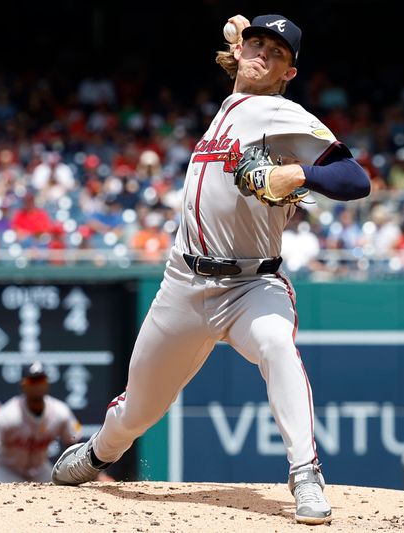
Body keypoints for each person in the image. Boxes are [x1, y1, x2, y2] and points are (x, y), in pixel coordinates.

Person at [52, 13, 370, 526]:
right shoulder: (233, 106)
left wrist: (296, 173)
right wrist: (238, 45)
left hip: (252, 282)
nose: (265, 53)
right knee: (140, 412)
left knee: (276, 345)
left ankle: (305, 474)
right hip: (183, 284)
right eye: (258, 44)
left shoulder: (280, 111)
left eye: (279, 53)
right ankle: (100, 453)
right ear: (241, 52)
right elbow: (240, 63)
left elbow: (354, 178)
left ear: (290, 73)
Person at [0, 362, 81, 482]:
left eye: (41, 380)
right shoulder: (9, 414)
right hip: (7, 470)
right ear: (23, 386)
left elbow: (75, 442)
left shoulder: (60, 412)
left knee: (59, 491)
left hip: (39, 470)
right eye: (32, 381)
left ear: (47, 383)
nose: (37, 385)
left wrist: (94, 474)